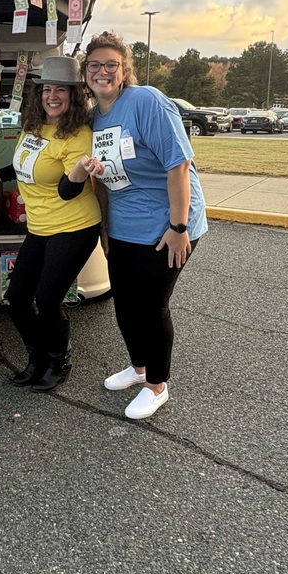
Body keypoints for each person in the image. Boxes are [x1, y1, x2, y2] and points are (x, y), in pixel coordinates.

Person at [82, 31, 208, 420]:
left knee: (152, 306)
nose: (102, 71)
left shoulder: (146, 101)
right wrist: (104, 229)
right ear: (86, 72)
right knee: (125, 303)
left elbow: (178, 164)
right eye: (94, 65)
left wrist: (179, 225)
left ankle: (157, 385)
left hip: (166, 224)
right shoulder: (94, 117)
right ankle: (138, 368)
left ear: (124, 71)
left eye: (111, 64)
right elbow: (100, 180)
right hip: (122, 226)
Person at [0, 56, 102, 392]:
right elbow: (26, 163)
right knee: (17, 298)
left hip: (74, 227)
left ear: (75, 96)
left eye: (62, 90)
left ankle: (58, 361)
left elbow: (66, 191)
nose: (53, 96)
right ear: (39, 94)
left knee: (47, 300)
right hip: (39, 227)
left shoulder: (78, 135)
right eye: (48, 89)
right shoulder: (34, 126)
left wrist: (78, 172)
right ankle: (37, 357)